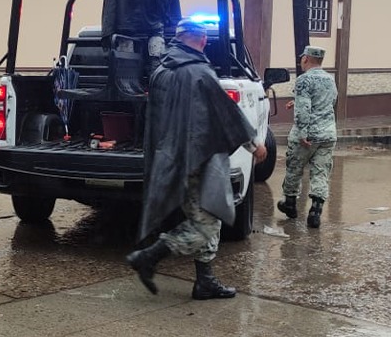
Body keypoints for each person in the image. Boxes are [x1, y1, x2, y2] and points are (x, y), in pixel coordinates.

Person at [126, 19, 267, 300]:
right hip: (197, 157)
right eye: (203, 37)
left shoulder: (160, 70)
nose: (205, 41)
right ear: (199, 39)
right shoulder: (199, 72)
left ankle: (206, 281)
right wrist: (254, 145)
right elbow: (226, 114)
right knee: (207, 221)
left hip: (171, 157)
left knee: (205, 213)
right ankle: (149, 256)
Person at [277, 46, 338, 228]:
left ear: (305, 59)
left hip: (308, 135)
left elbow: (304, 110)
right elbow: (328, 102)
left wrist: (303, 132)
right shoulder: (330, 80)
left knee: (294, 168)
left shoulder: (304, 80)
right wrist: (296, 101)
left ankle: (290, 204)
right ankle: (315, 211)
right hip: (327, 134)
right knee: (321, 171)